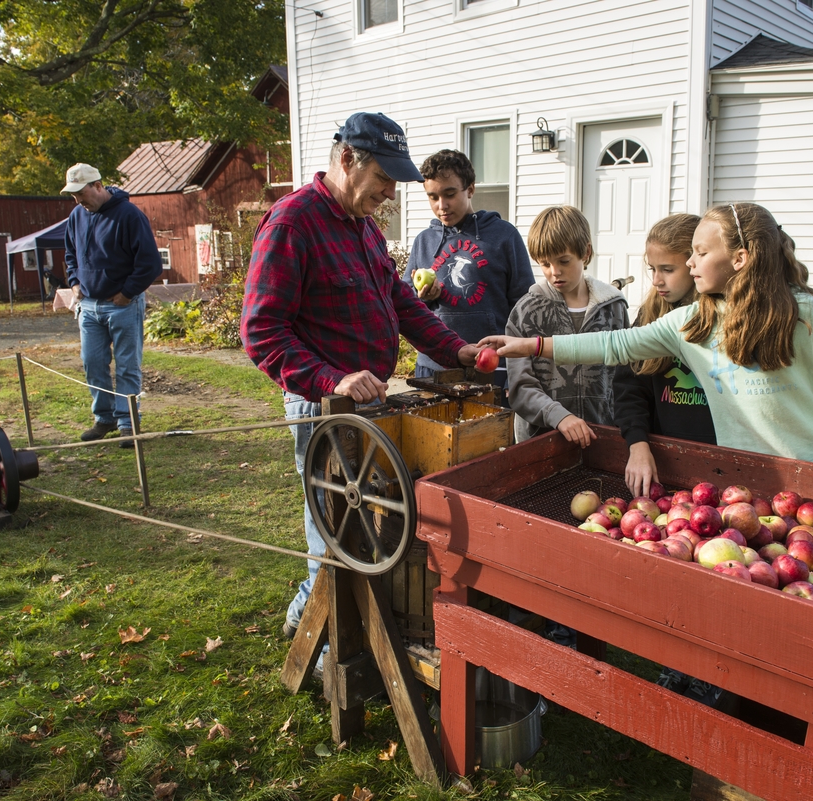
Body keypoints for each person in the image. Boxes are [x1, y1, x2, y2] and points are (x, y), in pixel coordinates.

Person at [240, 113, 481, 651]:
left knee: (361, 521)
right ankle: (326, 647)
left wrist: (454, 348)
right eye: (384, 181)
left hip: (371, 406)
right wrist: (334, 378)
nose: (390, 194)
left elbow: (399, 302)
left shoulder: (362, 225)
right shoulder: (291, 226)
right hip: (322, 407)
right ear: (348, 161)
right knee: (332, 527)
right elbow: (262, 334)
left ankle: (316, 613)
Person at [482, 201, 813, 501]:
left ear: (739, 259)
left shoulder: (803, 314)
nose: (690, 263)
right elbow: (615, 344)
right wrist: (531, 345)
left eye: (700, 253)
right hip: (738, 479)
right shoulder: (692, 321)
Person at [402, 150, 534, 392]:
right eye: (433, 197)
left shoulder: (503, 236)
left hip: (492, 366)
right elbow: (405, 301)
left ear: (470, 189)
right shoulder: (424, 241)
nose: (442, 206)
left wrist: (521, 361)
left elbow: (524, 305)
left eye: (450, 194)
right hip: (434, 366)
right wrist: (424, 296)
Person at [506, 205, 628, 446]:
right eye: (544, 264)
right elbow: (520, 386)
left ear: (586, 252)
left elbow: (626, 378)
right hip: (542, 441)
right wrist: (558, 416)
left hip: (603, 439)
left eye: (564, 261)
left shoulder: (614, 308)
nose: (555, 272)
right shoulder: (525, 311)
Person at [615, 214, 715, 499]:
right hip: (664, 464)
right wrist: (637, 443)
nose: (657, 280)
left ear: (695, 263)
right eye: (652, 269)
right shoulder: (648, 316)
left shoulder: (725, 318)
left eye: (668, 269)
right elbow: (629, 388)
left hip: (723, 463)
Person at [62, 162, 162, 448]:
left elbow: (151, 263)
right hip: (89, 306)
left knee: (127, 366)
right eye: (72, 196)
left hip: (122, 305)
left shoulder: (129, 215)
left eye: (81, 193)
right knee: (92, 363)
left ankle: (128, 424)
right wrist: (74, 282)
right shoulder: (76, 216)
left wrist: (128, 293)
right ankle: (103, 418)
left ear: (97, 186)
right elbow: (70, 252)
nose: (77, 201)